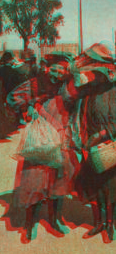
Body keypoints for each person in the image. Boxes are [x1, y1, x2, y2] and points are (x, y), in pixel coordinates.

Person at [6, 51, 90, 241]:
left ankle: (55, 220)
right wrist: (28, 106)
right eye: (58, 68)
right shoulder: (35, 84)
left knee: (59, 182)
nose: (61, 72)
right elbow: (12, 98)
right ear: (47, 67)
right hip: (40, 139)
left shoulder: (68, 86)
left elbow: (80, 100)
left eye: (64, 69)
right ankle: (30, 224)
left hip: (61, 137)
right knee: (35, 180)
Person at [75, 43, 116, 242]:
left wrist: (103, 134)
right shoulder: (88, 91)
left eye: (95, 71)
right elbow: (82, 115)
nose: (92, 75)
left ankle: (113, 224)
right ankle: (100, 223)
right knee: (96, 185)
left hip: (112, 145)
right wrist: (85, 137)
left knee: (113, 187)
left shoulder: (114, 90)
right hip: (92, 144)